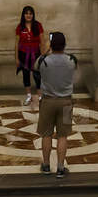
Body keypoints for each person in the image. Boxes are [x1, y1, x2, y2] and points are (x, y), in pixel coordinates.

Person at [35, 31, 77, 177]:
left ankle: (46, 166)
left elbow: (35, 67)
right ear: (64, 44)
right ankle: (60, 167)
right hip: (66, 102)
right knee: (62, 136)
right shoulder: (72, 60)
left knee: (46, 134)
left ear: (51, 45)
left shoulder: (44, 61)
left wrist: (46, 50)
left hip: (48, 101)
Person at [16, 5, 45, 104]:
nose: (28, 15)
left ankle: (40, 96)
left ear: (33, 15)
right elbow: (16, 44)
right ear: (23, 15)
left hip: (36, 54)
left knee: (38, 75)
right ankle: (28, 96)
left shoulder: (38, 25)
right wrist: (16, 58)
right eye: (26, 13)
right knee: (26, 75)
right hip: (23, 55)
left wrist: (43, 56)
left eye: (30, 13)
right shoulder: (20, 27)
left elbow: (42, 42)